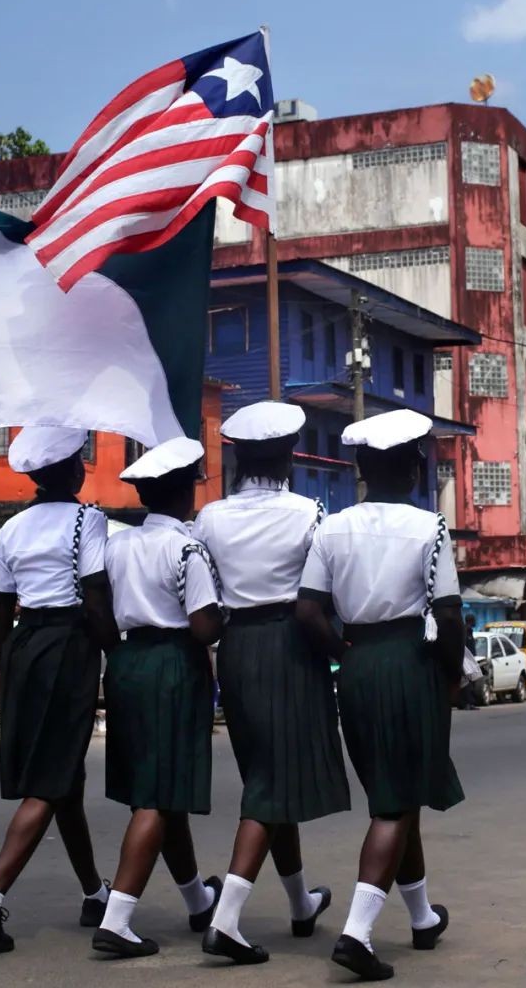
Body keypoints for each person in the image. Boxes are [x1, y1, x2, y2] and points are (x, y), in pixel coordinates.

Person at [297, 410, 463, 981]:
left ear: (363, 470)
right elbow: (448, 613)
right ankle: (356, 933)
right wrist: (450, 678)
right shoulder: (430, 528)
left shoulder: (331, 529)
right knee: (394, 802)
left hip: (359, 663)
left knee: (397, 790)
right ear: (414, 471)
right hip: (409, 664)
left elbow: (308, 610)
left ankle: (421, 918)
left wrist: (343, 647)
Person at [192, 402, 348, 965]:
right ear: (286, 455)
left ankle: (301, 902)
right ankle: (228, 920)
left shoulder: (209, 517)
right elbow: (324, 592)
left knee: (266, 771)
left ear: (237, 458)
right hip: (290, 645)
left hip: (234, 650)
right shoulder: (309, 511)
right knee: (269, 783)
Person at [0, 428, 112, 955]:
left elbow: (0, 607)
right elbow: (93, 597)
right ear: (73, 471)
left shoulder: (11, 529)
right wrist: (114, 648)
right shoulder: (89, 520)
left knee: (64, 776)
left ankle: (95, 893)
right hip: (69, 646)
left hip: (25, 645)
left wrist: (3, 667)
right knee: (50, 778)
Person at [94, 436, 224, 958]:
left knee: (161, 790)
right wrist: (227, 615)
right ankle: (118, 918)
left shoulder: (116, 544)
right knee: (155, 796)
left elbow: (99, 610)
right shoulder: (187, 547)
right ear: (182, 494)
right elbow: (203, 625)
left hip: (127, 664)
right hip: (173, 664)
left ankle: (197, 900)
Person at [457, 615, 480, 711]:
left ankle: (465, 703)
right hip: (466, 660)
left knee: (467, 681)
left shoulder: (468, 630)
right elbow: (464, 647)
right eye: (474, 620)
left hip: (468, 659)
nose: (475, 622)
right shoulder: (466, 630)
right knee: (468, 682)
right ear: (471, 621)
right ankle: (468, 703)